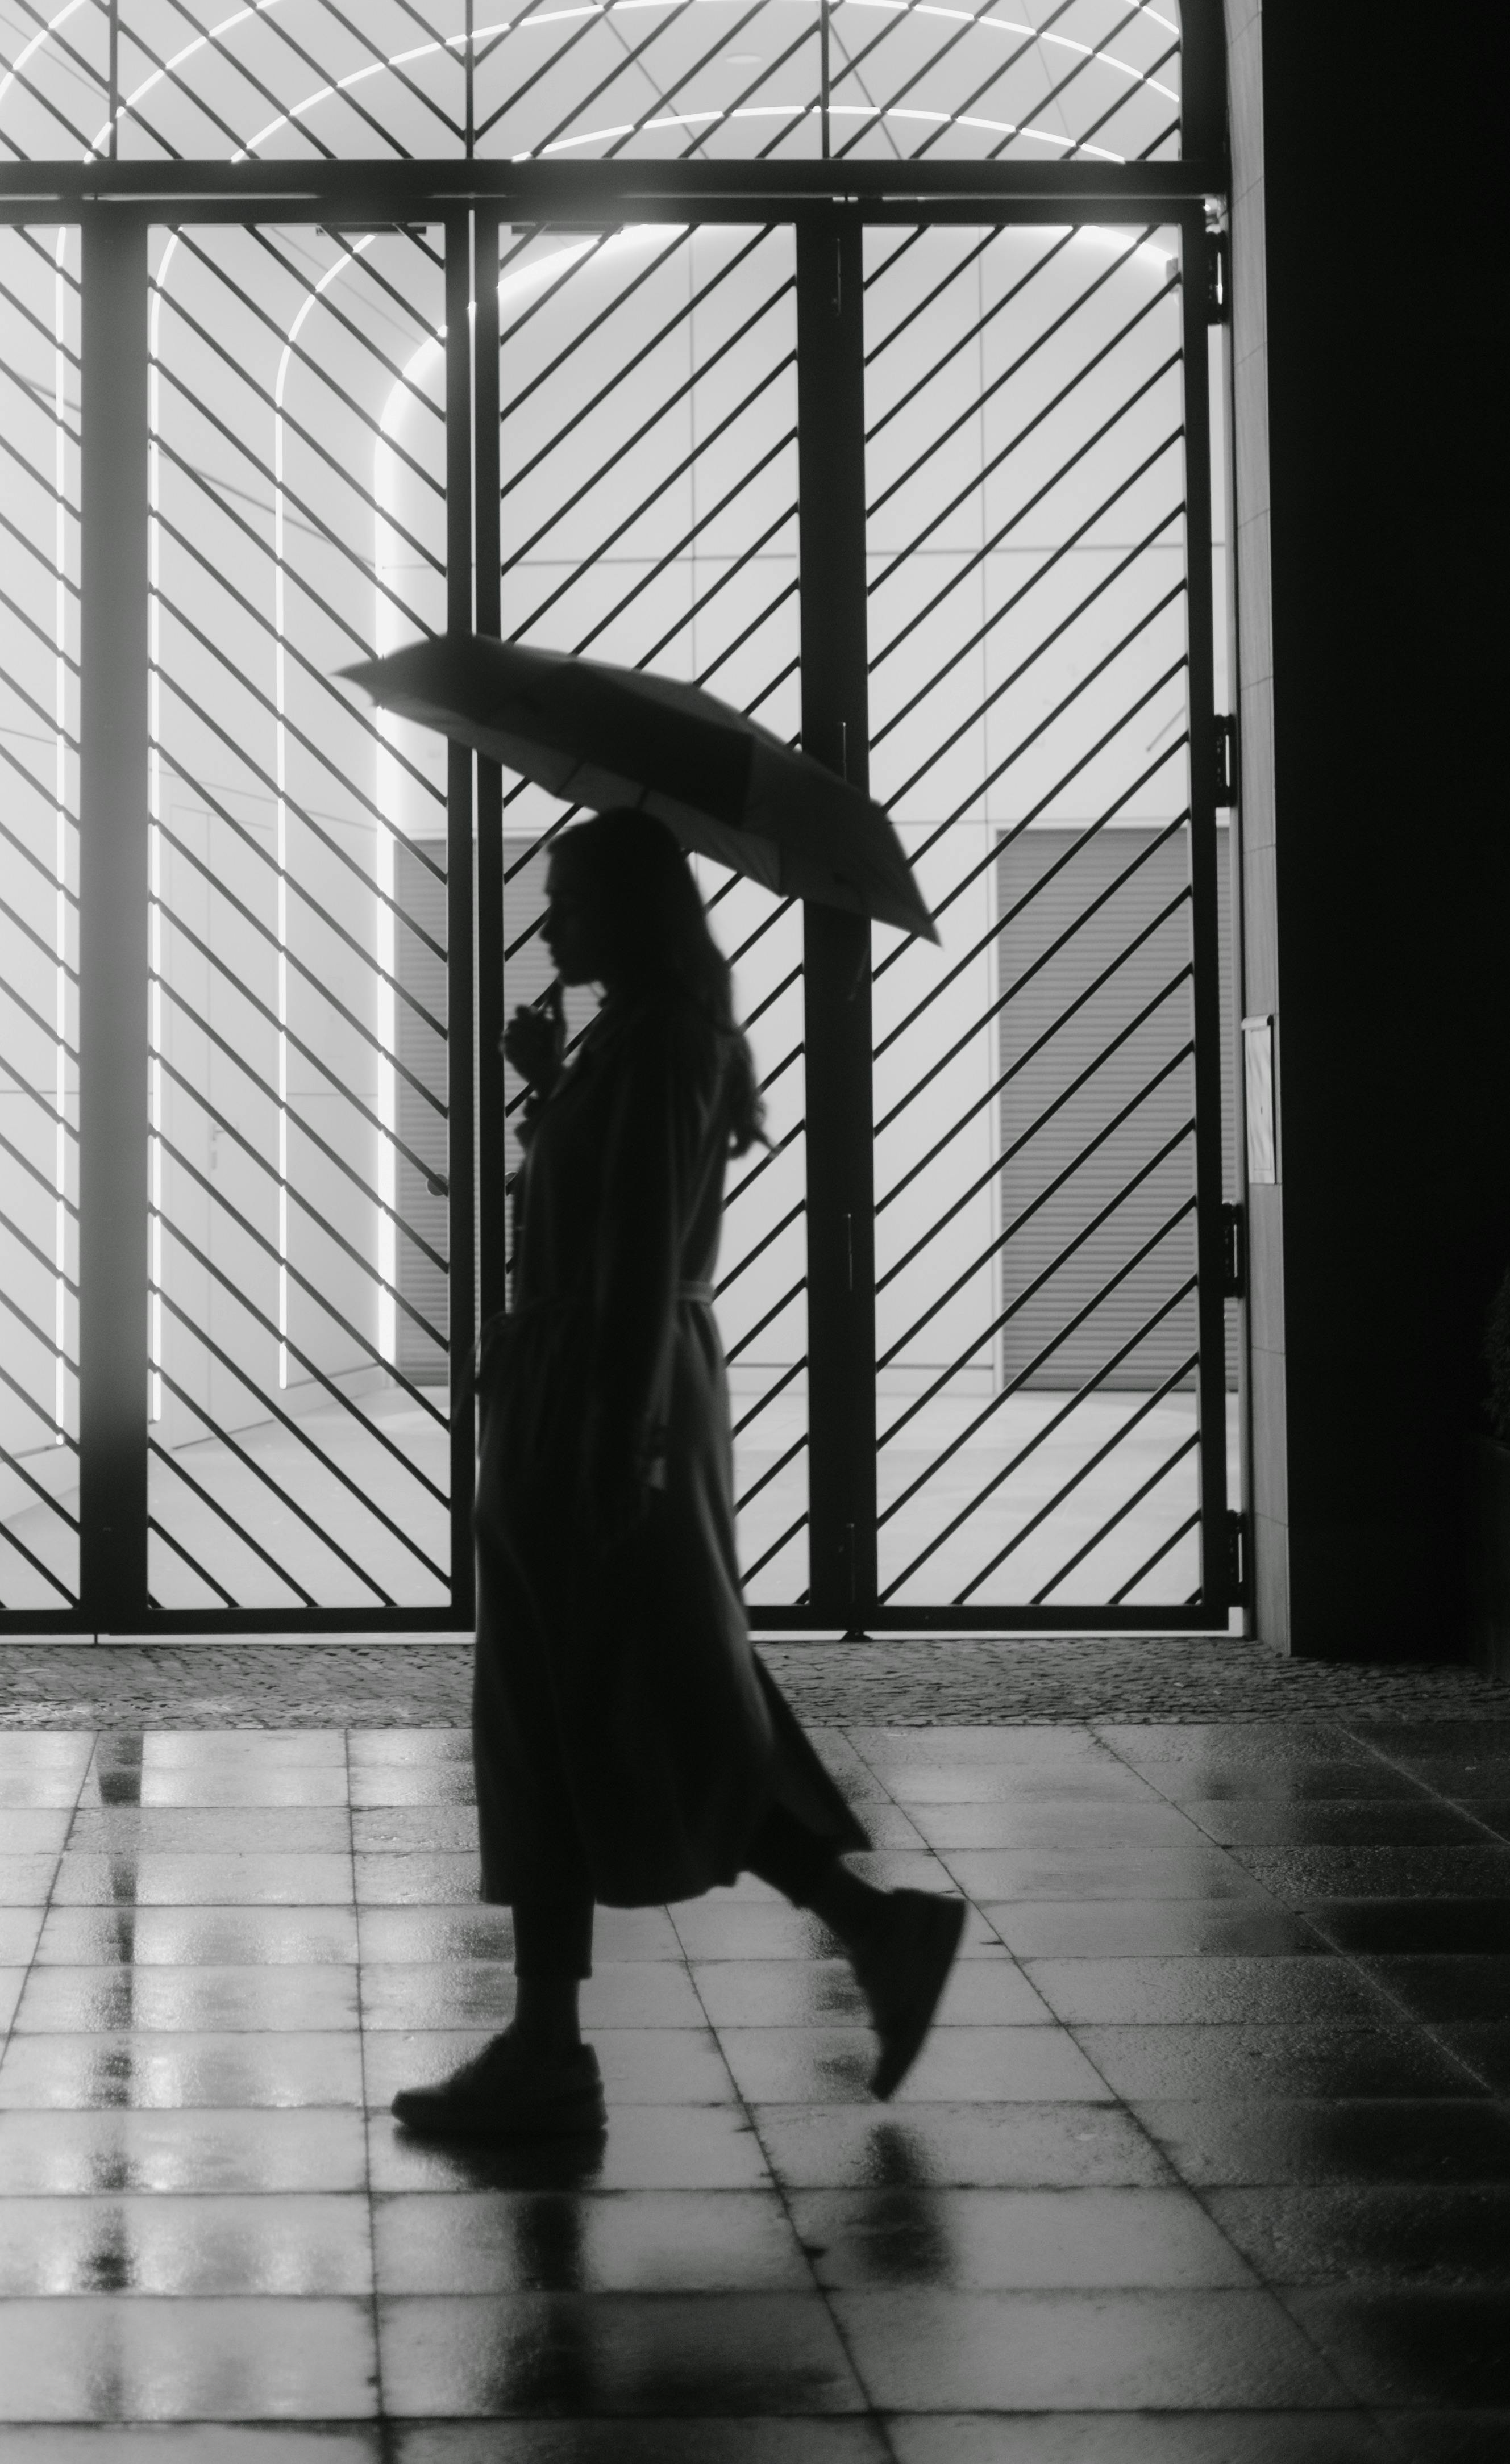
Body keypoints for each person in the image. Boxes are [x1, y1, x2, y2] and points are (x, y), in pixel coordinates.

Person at [393, 806, 965, 2137]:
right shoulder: (632, 1041)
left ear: (636, 910)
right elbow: (597, 1209)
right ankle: (583, 2025)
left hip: (602, 1389)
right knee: (595, 1695)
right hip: (589, 1384)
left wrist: (618, 1439)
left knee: (596, 1698)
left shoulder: (660, 1047)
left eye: (572, 902)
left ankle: (586, 2033)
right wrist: (543, 1084)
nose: (550, 926)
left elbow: (642, 1249)